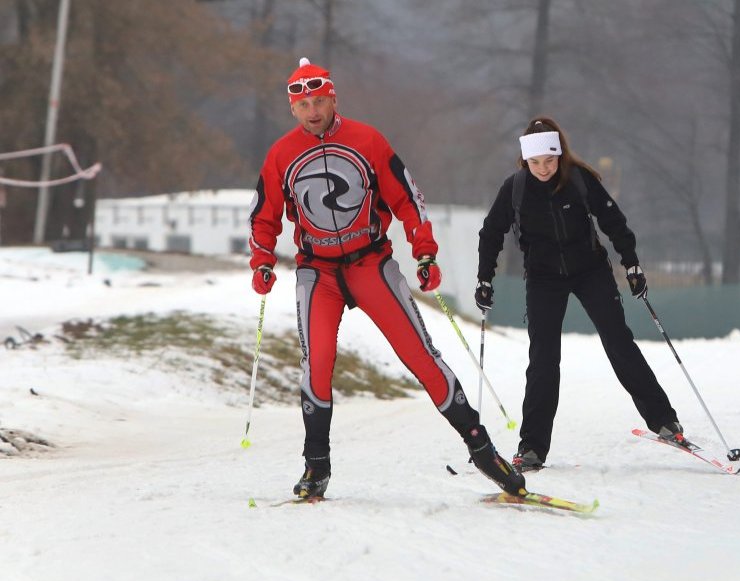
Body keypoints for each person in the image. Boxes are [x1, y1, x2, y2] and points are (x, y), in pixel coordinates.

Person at [248, 57, 525, 499]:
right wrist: (262, 259)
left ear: (334, 99)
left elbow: (407, 199)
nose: (313, 111)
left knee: (419, 354)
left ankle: (483, 449)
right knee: (316, 362)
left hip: (370, 263)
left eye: (320, 101)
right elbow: (264, 214)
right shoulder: (281, 153)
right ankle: (315, 466)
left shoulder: (368, 139)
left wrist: (425, 252)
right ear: (293, 111)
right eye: (304, 105)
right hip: (317, 271)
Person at [475, 116, 684, 472]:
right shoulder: (516, 188)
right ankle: (532, 447)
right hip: (543, 278)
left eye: (550, 161)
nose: (544, 169)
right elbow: (491, 234)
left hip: (590, 270)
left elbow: (613, 222)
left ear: (560, 156)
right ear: (525, 161)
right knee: (543, 359)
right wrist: (484, 278)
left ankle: (665, 421)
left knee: (618, 342)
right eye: (536, 162)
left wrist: (631, 264)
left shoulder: (578, 181)